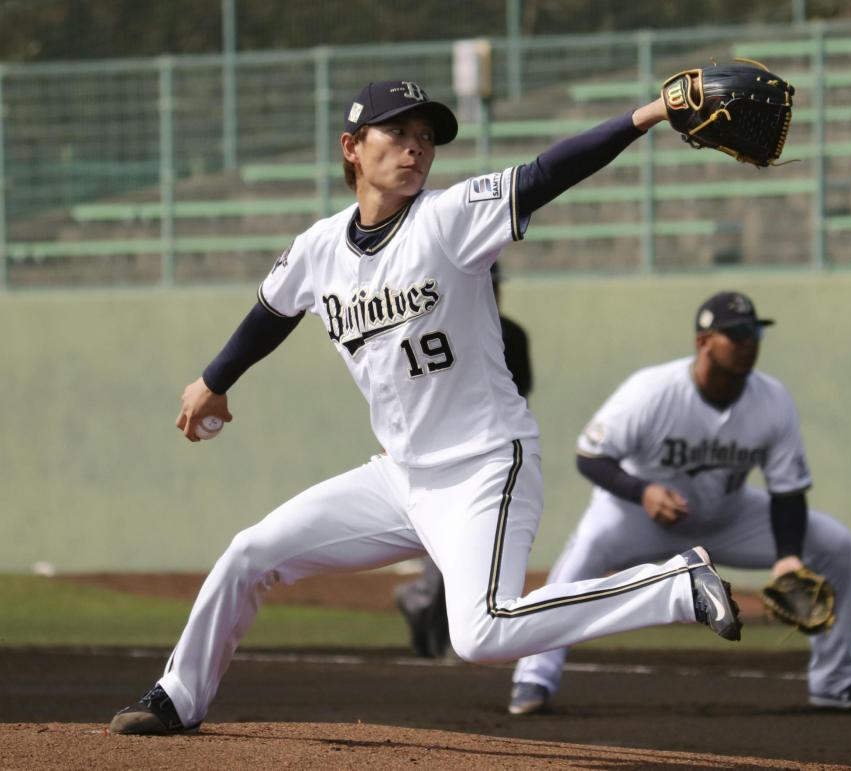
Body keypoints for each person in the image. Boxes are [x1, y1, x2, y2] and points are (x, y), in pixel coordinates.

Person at [109, 79, 744, 736]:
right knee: (250, 552)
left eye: (426, 138)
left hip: (484, 466)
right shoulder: (318, 248)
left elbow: (547, 173)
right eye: (399, 134)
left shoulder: (448, 218)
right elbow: (271, 314)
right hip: (399, 477)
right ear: (352, 147)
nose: (416, 149)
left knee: (481, 631)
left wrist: (646, 115)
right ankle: (177, 695)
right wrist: (214, 379)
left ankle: (674, 585)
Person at [507, 290, 851, 716]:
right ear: (703, 341)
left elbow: (788, 489)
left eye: (754, 333)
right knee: (584, 554)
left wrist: (787, 558)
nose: (749, 343)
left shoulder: (772, 399)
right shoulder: (653, 391)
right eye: (737, 334)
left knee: (833, 543)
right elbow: (590, 455)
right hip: (639, 514)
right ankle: (534, 676)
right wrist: (644, 491)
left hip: (726, 516)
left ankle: (835, 681)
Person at [393, 262, 532, 659]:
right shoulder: (437, 329)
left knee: (465, 555)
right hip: (439, 457)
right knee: (450, 556)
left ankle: (427, 610)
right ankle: (436, 624)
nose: (494, 290)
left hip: (487, 454)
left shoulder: (513, 335)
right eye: (488, 282)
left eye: (497, 283)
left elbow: (517, 397)